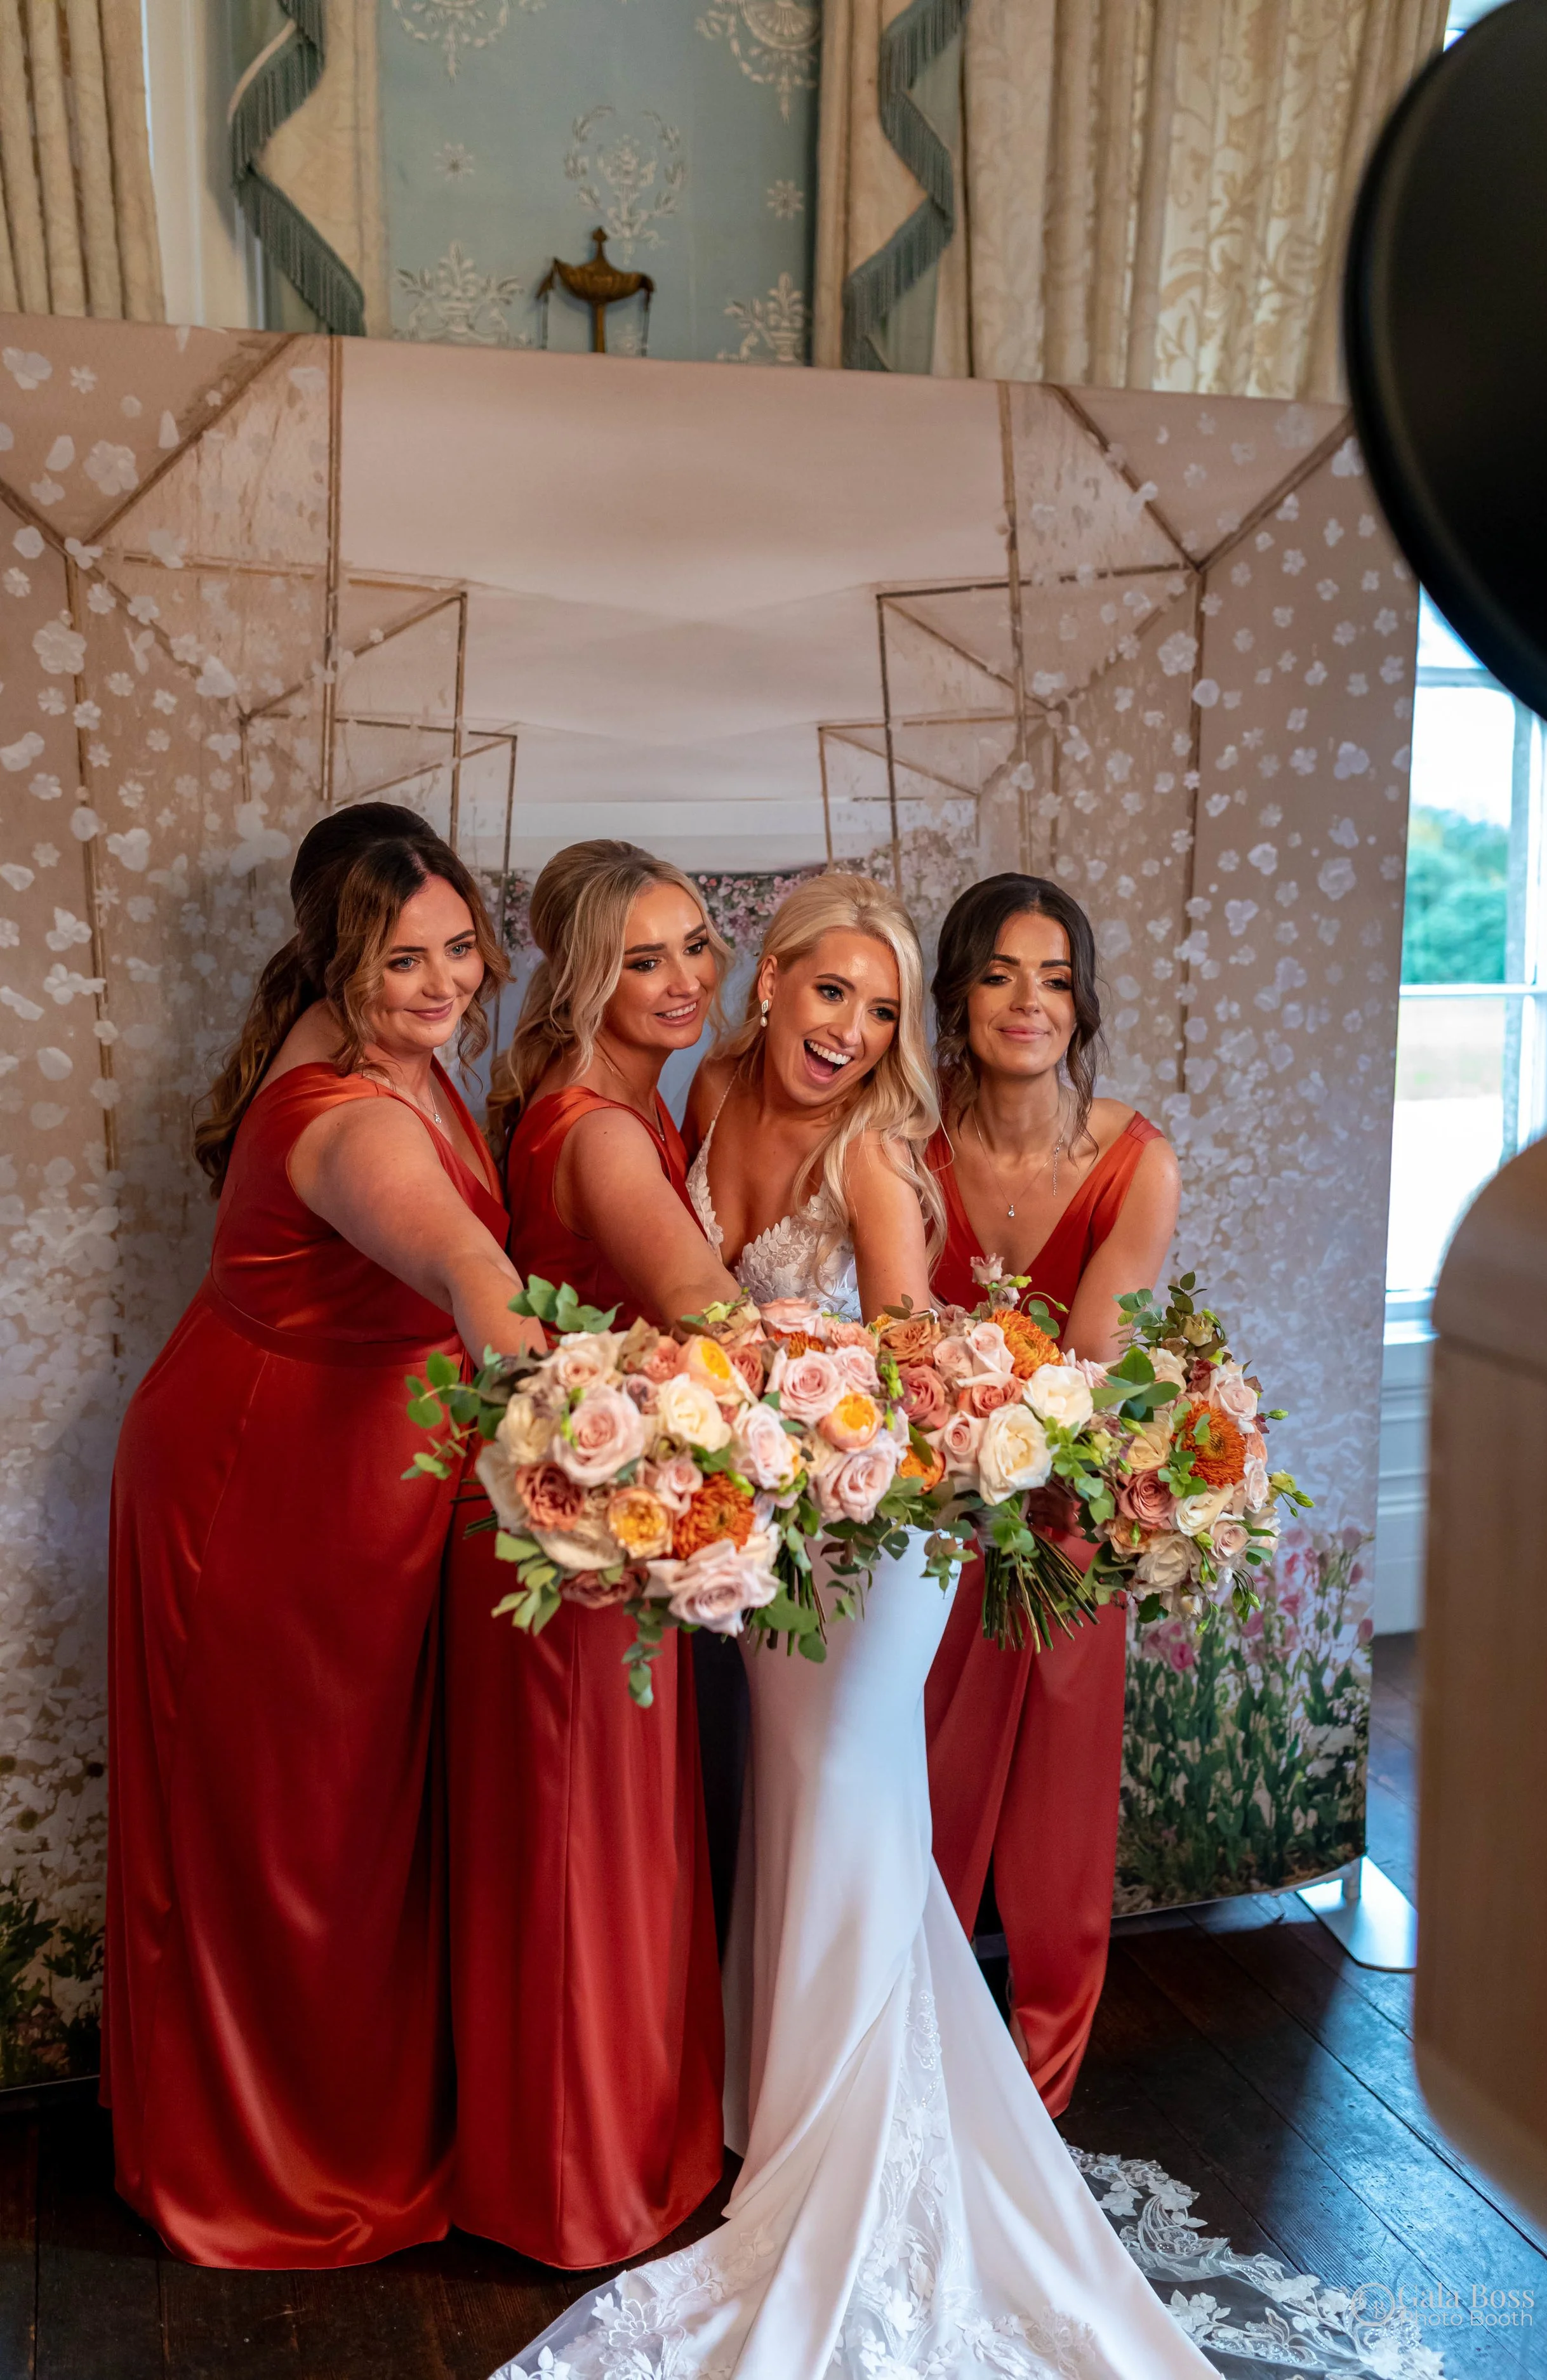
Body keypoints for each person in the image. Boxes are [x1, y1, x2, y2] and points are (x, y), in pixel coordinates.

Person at [493, 872, 1214, 2380]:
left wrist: (786, 1409)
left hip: (880, 1535)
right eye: (834, 993)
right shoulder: (693, 1102)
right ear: (769, 983)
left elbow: (901, 1355)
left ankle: (842, 2159)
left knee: (844, 1800)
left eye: (883, 1010)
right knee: (798, 1806)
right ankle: (784, 2111)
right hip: (777, 1530)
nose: (854, 1029)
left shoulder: (878, 1154)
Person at [103, 803, 529, 2268]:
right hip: (266, 1497)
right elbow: (450, 1249)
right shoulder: (345, 1114)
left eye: (461, 948)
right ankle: (273, 2168)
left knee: (343, 1840)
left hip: (356, 1484)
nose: (442, 984)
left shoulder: (394, 1052)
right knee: (291, 1851)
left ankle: (338, 2124)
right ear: (334, 959)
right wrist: (513, 1335)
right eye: (401, 959)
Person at [446, 839, 743, 2270]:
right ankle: (579, 2190)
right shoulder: (604, 1131)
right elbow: (704, 1311)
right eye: (642, 959)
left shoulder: (632, 1104)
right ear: (580, 979)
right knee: (579, 1863)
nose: (683, 979)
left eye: (694, 944)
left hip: (575, 1526)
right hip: (567, 1546)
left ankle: (604, 2156)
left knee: (592, 1858)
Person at [924, 873, 1181, 2115]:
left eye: (1056, 978)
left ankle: (1037, 2094)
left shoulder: (1134, 1164)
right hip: (920, 1511)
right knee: (916, 1792)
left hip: (1064, 1511)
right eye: (996, 973)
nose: (1027, 1002)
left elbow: (1088, 1367)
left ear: (1082, 1008)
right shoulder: (899, 1146)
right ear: (955, 992)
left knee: (1058, 1823)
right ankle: (904, 2063)